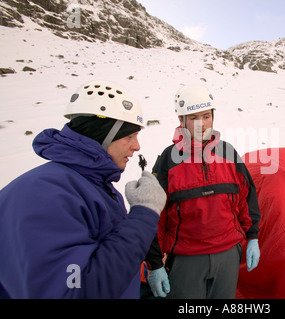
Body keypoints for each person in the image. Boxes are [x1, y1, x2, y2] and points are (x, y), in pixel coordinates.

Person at [0, 80, 167, 298]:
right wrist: (144, 214)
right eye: (129, 136)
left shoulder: (91, 184)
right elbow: (75, 289)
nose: (137, 146)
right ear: (102, 135)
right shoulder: (44, 193)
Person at [145, 85, 261, 299]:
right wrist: (154, 264)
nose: (202, 124)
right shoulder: (168, 160)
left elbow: (246, 198)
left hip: (228, 255)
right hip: (186, 260)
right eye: (194, 117)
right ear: (182, 121)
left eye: (206, 116)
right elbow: (154, 214)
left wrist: (252, 236)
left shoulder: (228, 153)